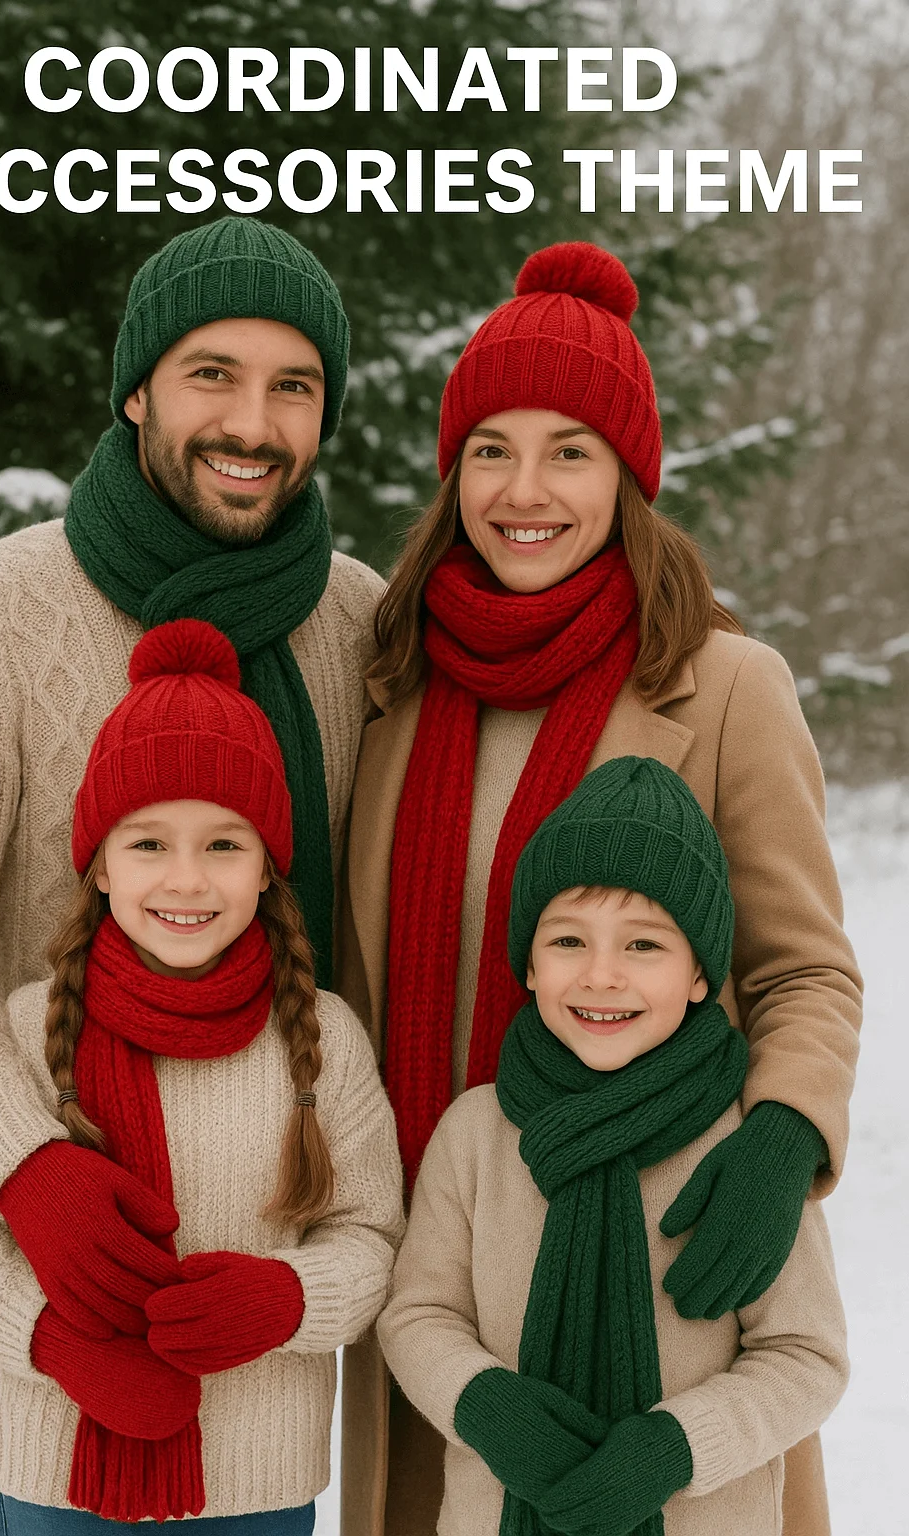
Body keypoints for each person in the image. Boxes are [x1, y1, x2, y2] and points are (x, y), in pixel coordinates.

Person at [338, 242, 861, 1536]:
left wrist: (784, 1136)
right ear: (451, 470)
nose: (526, 490)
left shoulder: (725, 686)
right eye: (491, 450)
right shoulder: (391, 681)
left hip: (657, 1256)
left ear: (629, 477)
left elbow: (804, 965)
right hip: (445, 1253)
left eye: (570, 451)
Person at [0, 216, 383, 1535]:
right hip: (46, 1277)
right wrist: (26, 1165)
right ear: (136, 390)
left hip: (258, 1291)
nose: (254, 422)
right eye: (213, 374)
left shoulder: (353, 622)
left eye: (295, 386)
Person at [0, 618, 404, 1533]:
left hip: (255, 1475)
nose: (187, 879)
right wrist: (55, 1343)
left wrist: (289, 1299)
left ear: (269, 867)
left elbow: (371, 1236)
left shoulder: (322, 1040)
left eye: (224, 844)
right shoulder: (31, 1033)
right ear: (99, 863)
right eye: (148, 844)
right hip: (58, 1468)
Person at [378, 756, 848, 1536]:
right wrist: (483, 1403)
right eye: (568, 940)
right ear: (528, 962)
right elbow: (419, 1312)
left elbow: (807, 1358)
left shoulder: (743, 1146)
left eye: (644, 947)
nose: (601, 976)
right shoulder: (478, 1132)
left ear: (702, 974)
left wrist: (675, 1448)